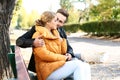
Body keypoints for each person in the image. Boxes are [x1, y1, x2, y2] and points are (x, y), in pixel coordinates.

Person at [16, 9, 91, 80]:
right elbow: (19, 41)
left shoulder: (59, 32)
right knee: (78, 65)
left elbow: (68, 48)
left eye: (60, 21)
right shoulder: (38, 31)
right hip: (46, 68)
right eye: (56, 19)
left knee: (85, 65)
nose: (57, 22)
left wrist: (69, 53)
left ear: (63, 24)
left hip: (56, 64)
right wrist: (33, 42)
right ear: (49, 20)